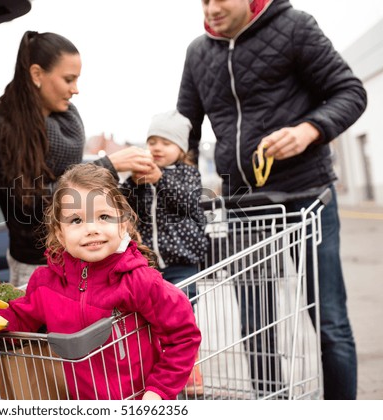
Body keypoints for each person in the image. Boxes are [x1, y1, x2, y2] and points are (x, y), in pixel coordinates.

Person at [176, 0, 367, 399]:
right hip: (244, 205)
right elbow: (186, 131)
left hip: (308, 198)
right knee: (255, 322)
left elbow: (349, 91)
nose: (210, 8)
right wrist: (172, 175)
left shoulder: (295, 27)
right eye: (203, 0)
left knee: (329, 319)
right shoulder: (197, 52)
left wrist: (310, 130)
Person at [0, 163, 201, 400]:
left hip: (138, 401)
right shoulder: (46, 283)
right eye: (76, 221)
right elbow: (19, 318)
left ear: (123, 224)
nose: (91, 229)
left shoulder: (138, 280)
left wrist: (158, 390)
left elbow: (183, 335)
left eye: (104, 217)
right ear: (60, 233)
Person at [0, 31, 155, 287]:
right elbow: (31, 202)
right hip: (38, 265)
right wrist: (109, 166)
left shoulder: (65, 121)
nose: (76, 90)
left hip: (83, 257)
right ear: (37, 74)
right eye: (68, 79)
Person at [121, 110, 208, 397]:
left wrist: (160, 179)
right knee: (152, 320)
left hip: (182, 261)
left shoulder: (187, 175)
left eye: (165, 143)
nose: (157, 148)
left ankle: (189, 366)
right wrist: (133, 183)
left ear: (181, 149)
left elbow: (188, 202)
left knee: (182, 317)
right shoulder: (141, 177)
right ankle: (158, 370)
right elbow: (123, 204)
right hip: (150, 264)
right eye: (152, 141)